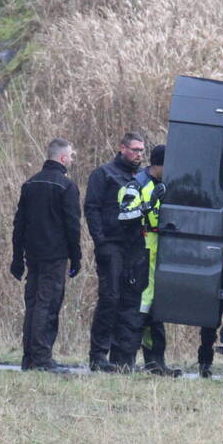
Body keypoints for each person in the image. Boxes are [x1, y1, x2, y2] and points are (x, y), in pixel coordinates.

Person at [10, 138, 82, 372]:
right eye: (71, 156)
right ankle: (42, 359)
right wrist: (76, 257)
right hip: (55, 255)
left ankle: (29, 358)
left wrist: (17, 257)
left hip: (32, 254)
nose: (72, 160)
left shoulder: (30, 184)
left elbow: (19, 224)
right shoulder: (66, 186)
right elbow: (73, 225)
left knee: (32, 303)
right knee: (47, 304)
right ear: (62, 158)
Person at [115, 144, 181, 376]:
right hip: (140, 252)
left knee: (155, 311)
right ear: (159, 164)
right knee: (136, 310)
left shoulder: (163, 184)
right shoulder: (136, 185)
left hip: (158, 252)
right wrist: (149, 204)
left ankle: (156, 363)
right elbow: (125, 215)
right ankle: (125, 363)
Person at [85, 131, 144, 371]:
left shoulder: (140, 177)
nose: (139, 154)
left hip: (134, 247)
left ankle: (121, 357)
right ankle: (98, 354)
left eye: (141, 151)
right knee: (110, 298)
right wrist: (100, 241)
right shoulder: (104, 174)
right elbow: (92, 208)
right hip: (111, 244)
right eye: (135, 150)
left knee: (129, 301)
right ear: (122, 148)